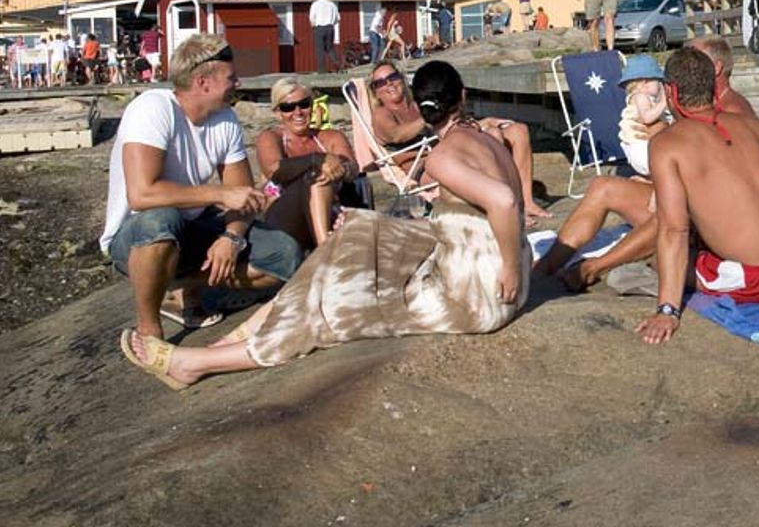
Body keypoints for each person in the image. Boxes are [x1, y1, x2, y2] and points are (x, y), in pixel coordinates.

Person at [119, 60, 531, 390]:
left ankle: (202, 361)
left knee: (337, 308)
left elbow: (504, 201)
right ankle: (239, 333)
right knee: (356, 229)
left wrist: (508, 268)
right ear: (462, 94)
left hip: (480, 293)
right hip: (489, 268)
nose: (297, 112)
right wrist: (515, 264)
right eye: (288, 107)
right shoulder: (491, 138)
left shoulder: (442, 157)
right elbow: (510, 200)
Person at [100, 33, 301, 340]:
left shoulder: (226, 120)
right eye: (231, 78)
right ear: (203, 82)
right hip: (135, 235)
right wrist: (219, 194)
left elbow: (244, 201)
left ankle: (182, 289)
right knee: (162, 219)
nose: (238, 84)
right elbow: (141, 195)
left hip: (191, 227)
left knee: (284, 254)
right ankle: (149, 329)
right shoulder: (152, 108)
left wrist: (231, 238)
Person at [636, 47, 759, 345]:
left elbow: (673, 230)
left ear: (672, 92)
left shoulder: (667, 144)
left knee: (659, 257)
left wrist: (667, 310)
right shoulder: (756, 125)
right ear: (712, 84)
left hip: (756, 280)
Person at [533, 55, 671, 292]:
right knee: (602, 185)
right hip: (668, 183)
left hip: (690, 202)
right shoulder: (658, 101)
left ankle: (592, 268)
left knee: (672, 214)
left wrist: (666, 133)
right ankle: (548, 264)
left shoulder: (729, 112)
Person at [367, 60, 548, 222]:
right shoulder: (382, 114)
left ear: (401, 78)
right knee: (493, 136)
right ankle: (507, 210)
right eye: (380, 82)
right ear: (376, 92)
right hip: (426, 167)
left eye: (392, 76)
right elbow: (396, 135)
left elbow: (449, 125)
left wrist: (483, 122)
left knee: (518, 130)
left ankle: (527, 201)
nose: (389, 83)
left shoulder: (417, 104)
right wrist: (430, 111)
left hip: (451, 147)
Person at [253, 79, 360, 254]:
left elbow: (352, 168)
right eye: (288, 107)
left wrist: (339, 168)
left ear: (313, 106)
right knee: (315, 178)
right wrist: (319, 160)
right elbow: (274, 170)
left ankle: (324, 245)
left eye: (304, 104)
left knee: (320, 180)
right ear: (278, 113)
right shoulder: (271, 138)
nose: (298, 112)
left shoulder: (330, 137)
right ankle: (326, 252)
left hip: (330, 212)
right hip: (285, 219)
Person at [688, 34, 755, 116]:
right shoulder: (717, 104)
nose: (688, 68)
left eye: (696, 61)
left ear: (717, 68)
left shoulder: (731, 111)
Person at [309, 0, 340, 73]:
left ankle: (321, 70)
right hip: (330, 27)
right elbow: (338, 18)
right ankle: (336, 63)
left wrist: (314, 27)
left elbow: (312, 18)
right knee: (330, 48)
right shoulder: (332, 4)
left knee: (320, 49)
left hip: (319, 28)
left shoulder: (315, 4)